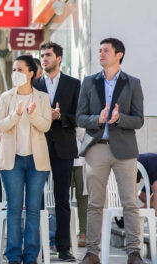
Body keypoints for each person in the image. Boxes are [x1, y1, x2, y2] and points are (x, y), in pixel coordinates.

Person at [76, 38, 145, 264]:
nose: (101, 53)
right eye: (100, 50)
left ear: (119, 55)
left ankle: (134, 252)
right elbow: (80, 117)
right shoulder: (88, 82)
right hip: (96, 148)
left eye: (106, 50)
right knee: (95, 203)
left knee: (130, 202)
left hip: (125, 150)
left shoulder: (133, 83)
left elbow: (139, 120)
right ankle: (92, 253)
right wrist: (99, 118)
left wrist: (119, 119)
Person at [0, 55, 52, 264]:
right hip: (12, 161)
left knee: (34, 209)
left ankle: (30, 256)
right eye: (14, 69)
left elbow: (46, 126)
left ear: (31, 73)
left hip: (37, 162)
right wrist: (16, 115)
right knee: (14, 208)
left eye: (20, 69)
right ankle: (13, 256)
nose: (15, 73)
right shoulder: (6, 97)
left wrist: (32, 115)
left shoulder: (42, 98)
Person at [34, 41, 81, 261]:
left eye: (48, 55)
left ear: (59, 58)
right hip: (38, 147)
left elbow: (80, 116)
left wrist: (59, 116)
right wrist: (45, 117)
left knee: (62, 199)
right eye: (42, 55)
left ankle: (63, 248)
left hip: (63, 147)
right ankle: (40, 247)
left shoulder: (73, 84)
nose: (44, 59)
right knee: (37, 199)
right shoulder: (33, 85)